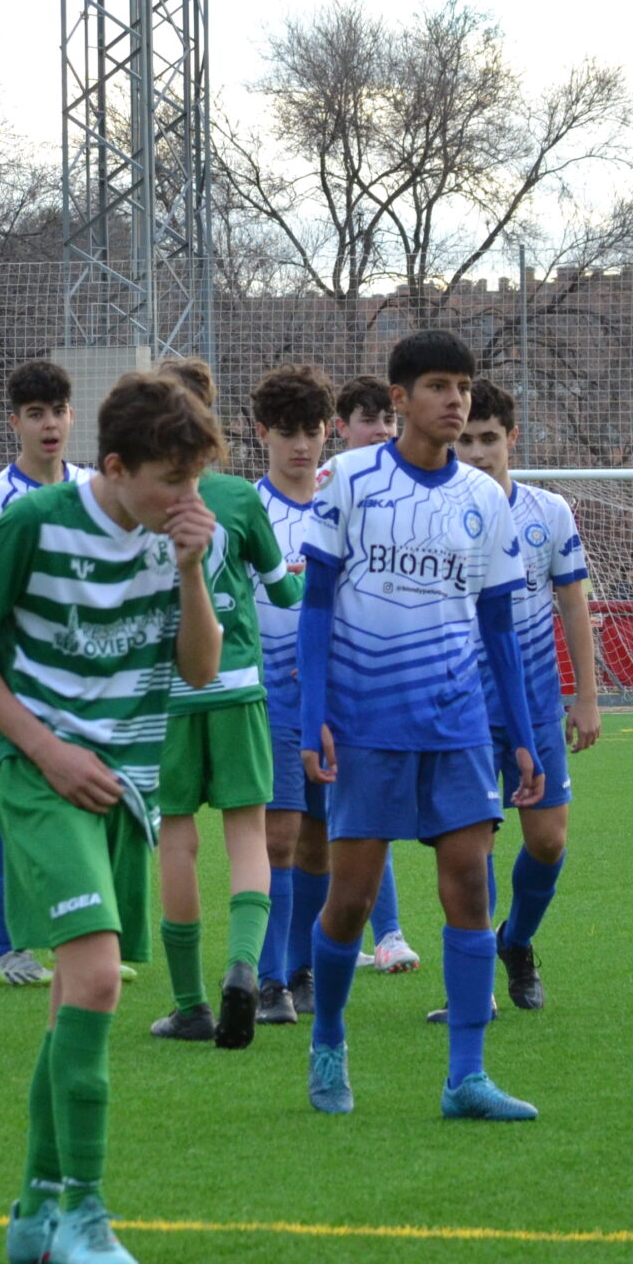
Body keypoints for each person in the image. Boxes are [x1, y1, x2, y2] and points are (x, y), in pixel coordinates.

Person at [0, 372, 222, 1264]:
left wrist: (191, 570)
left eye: (196, 478)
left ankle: (34, 1211)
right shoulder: (32, 522)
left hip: (121, 782)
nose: (187, 497)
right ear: (117, 467)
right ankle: (86, 1218)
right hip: (35, 771)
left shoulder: (181, 538)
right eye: (171, 480)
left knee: (72, 996)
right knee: (98, 979)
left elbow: (201, 668)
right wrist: (46, 749)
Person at [297, 329, 545, 1122]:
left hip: (458, 721)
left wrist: (521, 732)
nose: (456, 400)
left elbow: (498, 622)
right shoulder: (349, 479)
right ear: (399, 398)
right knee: (351, 897)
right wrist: (312, 715)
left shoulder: (485, 498)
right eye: (439, 385)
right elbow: (316, 602)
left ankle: (466, 1075)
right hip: (367, 719)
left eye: (463, 386)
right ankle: (328, 1038)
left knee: (469, 884)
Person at [144, 358, 304, 1050]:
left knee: (177, 841)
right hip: (236, 685)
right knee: (247, 836)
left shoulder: (135, 498)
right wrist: (311, 580)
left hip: (166, 695)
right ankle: (244, 968)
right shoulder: (239, 498)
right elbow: (283, 591)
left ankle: (190, 1004)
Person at [447, 377, 600, 1013]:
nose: (478, 452)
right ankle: (475, 982)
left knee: (548, 841)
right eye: (465, 441)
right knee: (472, 845)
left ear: (512, 438)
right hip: (461, 707)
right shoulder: (439, 513)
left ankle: (517, 941)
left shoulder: (548, 511)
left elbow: (573, 605)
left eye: (489, 438)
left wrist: (586, 697)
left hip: (535, 705)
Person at [0, 360, 100, 989]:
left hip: (86, 677)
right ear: (14, 422)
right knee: (6, 808)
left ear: (72, 416)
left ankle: (88, 943)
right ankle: (8, 950)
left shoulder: (93, 487)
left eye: (57, 412)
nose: (49, 425)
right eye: (35, 414)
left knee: (91, 802)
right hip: (20, 676)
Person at [315, 372, 420, 977]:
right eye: (369, 420)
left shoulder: (408, 492)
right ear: (341, 428)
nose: (382, 430)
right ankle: (311, 951)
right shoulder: (332, 484)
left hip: (382, 678)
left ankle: (387, 934)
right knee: (313, 828)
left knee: (362, 813)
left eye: (389, 420)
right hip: (324, 678)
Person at [248, 361, 337, 1026]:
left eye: (311, 430)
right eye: (287, 431)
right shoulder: (245, 510)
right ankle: (269, 980)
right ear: (262, 434)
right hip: (271, 691)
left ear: (327, 431)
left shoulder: (344, 505)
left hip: (338, 696)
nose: (301, 445)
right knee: (278, 837)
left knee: (323, 840)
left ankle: (303, 967)